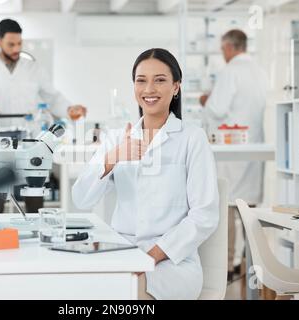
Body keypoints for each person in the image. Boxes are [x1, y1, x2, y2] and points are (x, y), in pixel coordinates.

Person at [72, 48, 219, 300]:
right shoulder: (117, 139)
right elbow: (81, 199)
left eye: (160, 80)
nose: (149, 89)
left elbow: (204, 215)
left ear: (176, 87)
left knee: (128, 292)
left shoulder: (192, 138)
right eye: (141, 80)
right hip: (121, 252)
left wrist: (149, 258)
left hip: (172, 261)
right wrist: (113, 157)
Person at [199, 29, 267, 281]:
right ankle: (252, 264)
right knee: (248, 208)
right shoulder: (259, 71)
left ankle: (226, 265)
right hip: (254, 148)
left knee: (226, 205)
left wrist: (206, 99)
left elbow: (217, 109)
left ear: (228, 47)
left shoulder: (230, 71)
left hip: (231, 146)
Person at [0, 18, 86, 128]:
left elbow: (52, 98)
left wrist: (69, 109)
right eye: (11, 44)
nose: (16, 49)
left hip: (30, 137)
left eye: (19, 43)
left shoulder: (35, 69)